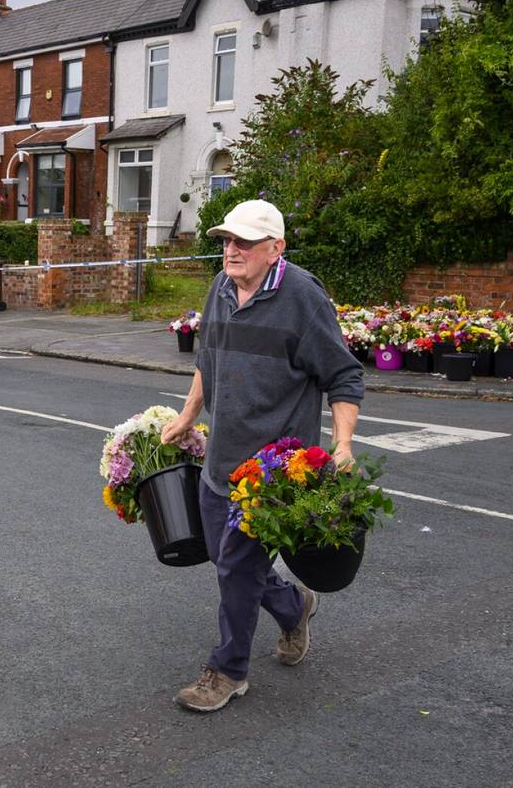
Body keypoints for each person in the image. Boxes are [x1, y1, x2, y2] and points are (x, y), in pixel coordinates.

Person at [159, 199, 364, 713]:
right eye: (227, 240)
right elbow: (210, 358)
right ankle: (294, 604)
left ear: (276, 248)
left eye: (244, 242)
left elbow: (343, 375)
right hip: (219, 463)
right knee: (221, 554)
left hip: (272, 473)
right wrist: (187, 418)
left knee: (235, 567)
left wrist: (342, 445)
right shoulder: (221, 288)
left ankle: (227, 671)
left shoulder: (303, 298)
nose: (231, 250)